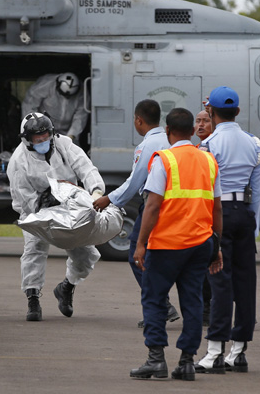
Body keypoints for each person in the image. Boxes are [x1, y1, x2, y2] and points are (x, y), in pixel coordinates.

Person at [130, 107, 223, 382]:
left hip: (167, 245)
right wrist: (216, 245)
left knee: (154, 298)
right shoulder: (208, 161)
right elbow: (217, 208)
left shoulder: (164, 160)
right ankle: (187, 362)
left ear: (168, 131)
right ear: (193, 131)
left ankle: (156, 360)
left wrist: (140, 243)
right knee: (192, 301)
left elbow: (153, 205)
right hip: (199, 244)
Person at [7, 112, 104, 321]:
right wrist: (43, 202)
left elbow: (86, 167)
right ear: (27, 139)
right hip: (37, 211)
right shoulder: (18, 161)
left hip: (70, 206)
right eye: (37, 139)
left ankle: (66, 287)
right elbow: (22, 195)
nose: (43, 141)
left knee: (85, 254)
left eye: (46, 136)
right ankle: (32, 298)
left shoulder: (63, 145)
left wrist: (95, 192)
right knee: (34, 249)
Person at [195, 86, 260, 374]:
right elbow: (257, 190)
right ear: (237, 111)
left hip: (218, 214)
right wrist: (255, 225)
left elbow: (206, 190)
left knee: (219, 281)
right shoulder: (254, 143)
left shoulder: (208, 145)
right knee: (245, 283)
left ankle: (214, 351)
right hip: (244, 213)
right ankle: (238, 351)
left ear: (210, 111)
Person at [93, 100, 180, 325]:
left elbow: (135, 182)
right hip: (177, 207)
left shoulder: (147, 145)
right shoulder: (171, 140)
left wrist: (108, 199)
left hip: (154, 205)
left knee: (138, 255)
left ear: (138, 120)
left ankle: (160, 307)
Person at [21, 73, 88, 141]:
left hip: (67, 130)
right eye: (63, 94)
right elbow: (29, 105)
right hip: (43, 128)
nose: (66, 98)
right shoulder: (45, 84)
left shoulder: (83, 94)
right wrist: (35, 128)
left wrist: (71, 135)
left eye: (69, 97)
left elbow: (80, 117)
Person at [195, 110, 214, 326]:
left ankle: (208, 309)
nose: (201, 125)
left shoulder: (211, 148)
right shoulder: (198, 149)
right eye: (198, 121)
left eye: (206, 121)